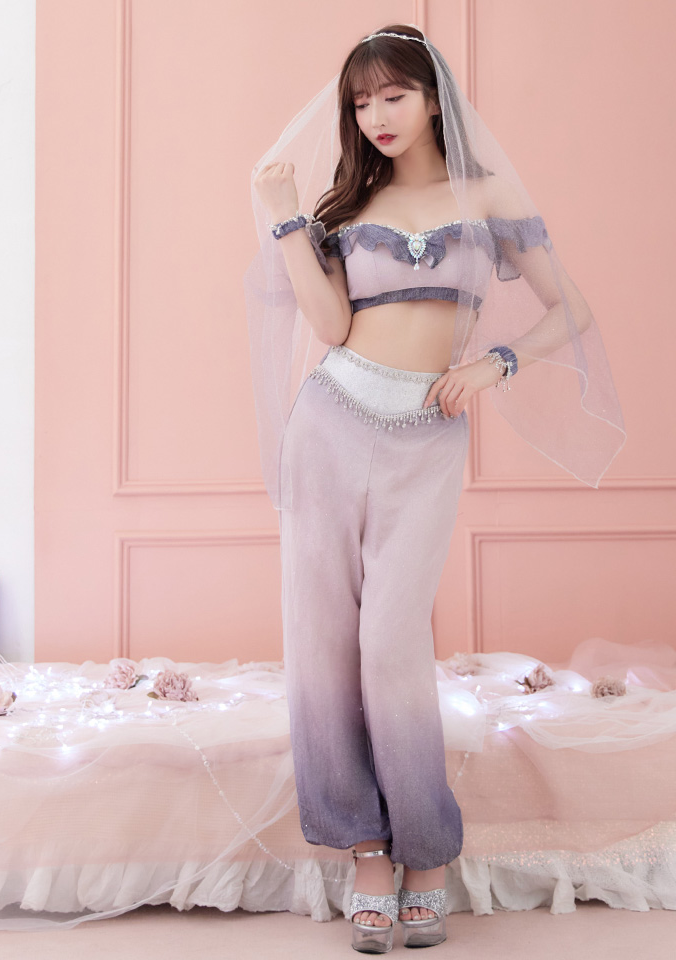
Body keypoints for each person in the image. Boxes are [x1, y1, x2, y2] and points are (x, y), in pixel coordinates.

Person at [246, 22, 625, 954]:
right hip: (330, 421)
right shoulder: (348, 205)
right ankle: (367, 852)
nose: (376, 115)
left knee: (390, 643)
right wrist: (285, 218)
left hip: (428, 433)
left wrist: (496, 364)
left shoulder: (487, 195)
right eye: (361, 101)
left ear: (432, 97)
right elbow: (330, 327)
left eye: (394, 95)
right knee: (323, 641)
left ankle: (426, 852)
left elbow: (571, 308)